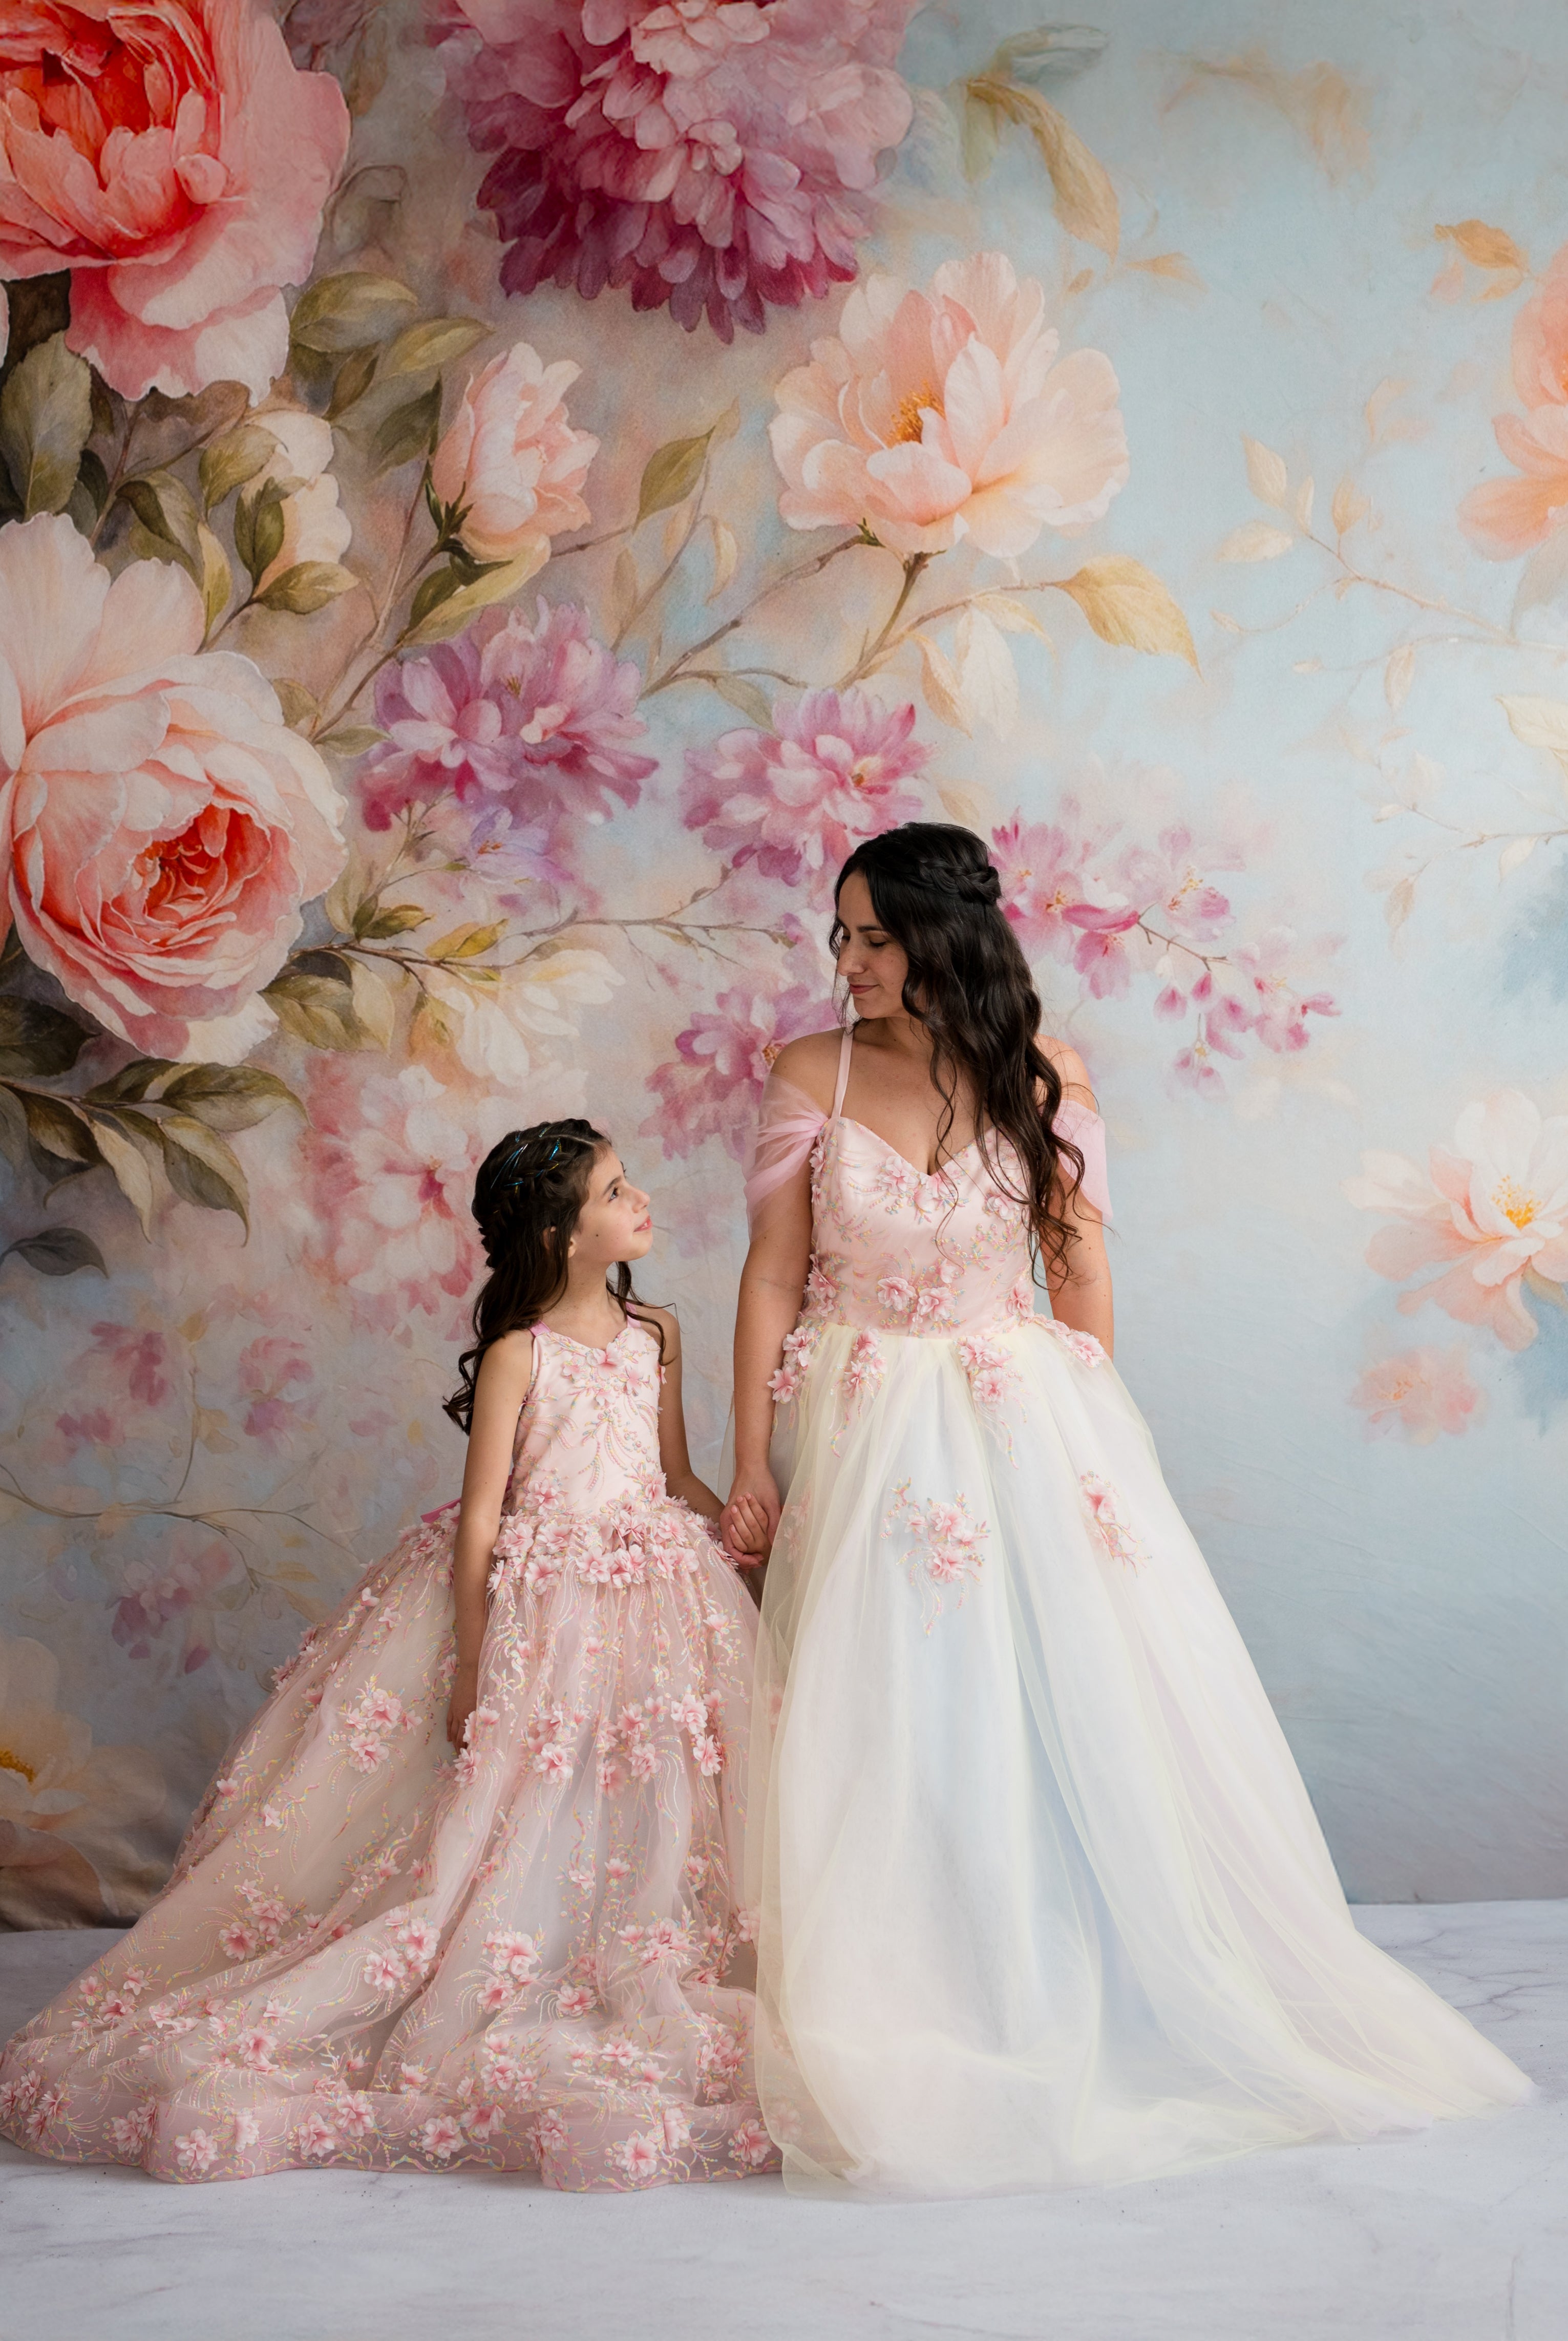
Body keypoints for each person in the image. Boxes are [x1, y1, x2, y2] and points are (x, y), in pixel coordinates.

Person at [720, 821, 1531, 2199]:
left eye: (871, 934)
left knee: (1054, 1693)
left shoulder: (1046, 1075)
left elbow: (1077, 1265)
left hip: (1014, 1409)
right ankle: (897, 1982)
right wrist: (747, 1455)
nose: (845, 959)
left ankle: (1066, 1975)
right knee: (881, 1705)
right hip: (858, 1411)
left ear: (940, 936)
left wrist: (1097, 1427)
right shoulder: (814, 1068)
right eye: (837, 934)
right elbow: (768, 1277)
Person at [0, 1121, 777, 2189]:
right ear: (557, 1235)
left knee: (650, 1778)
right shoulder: (520, 1353)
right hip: (538, 1596)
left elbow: (672, 1472)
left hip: (651, 1584)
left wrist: (737, 1545)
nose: (639, 1200)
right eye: (613, 1191)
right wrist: (471, 1662)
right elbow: (480, 1521)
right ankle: (500, 1953)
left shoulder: (658, 1330)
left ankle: (625, 1937)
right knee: (521, 1793)